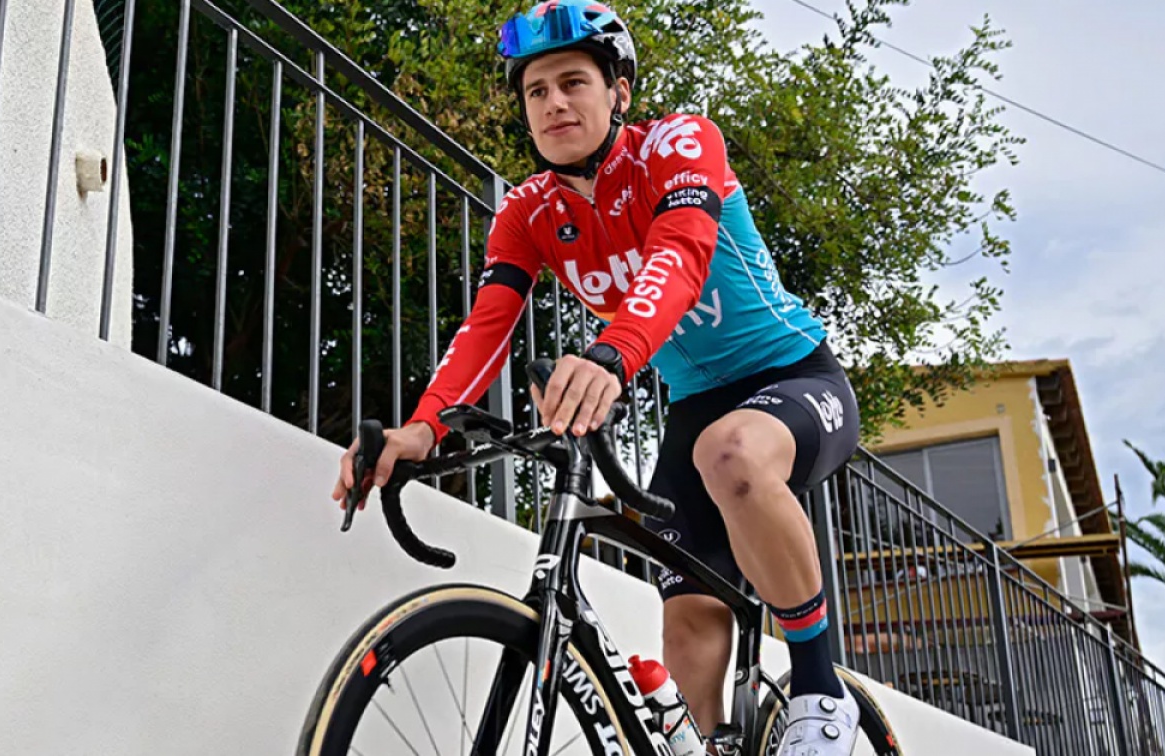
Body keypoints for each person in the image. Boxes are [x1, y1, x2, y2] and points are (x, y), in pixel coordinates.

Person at [330, 0, 863, 751]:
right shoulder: (527, 211)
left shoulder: (680, 143)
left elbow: (680, 252)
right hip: (695, 406)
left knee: (731, 453)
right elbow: (487, 326)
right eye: (536, 90)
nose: (553, 102)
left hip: (794, 376)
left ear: (619, 92)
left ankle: (818, 689)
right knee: (687, 625)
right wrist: (424, 427)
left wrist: (612, 353)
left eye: (573, 82)